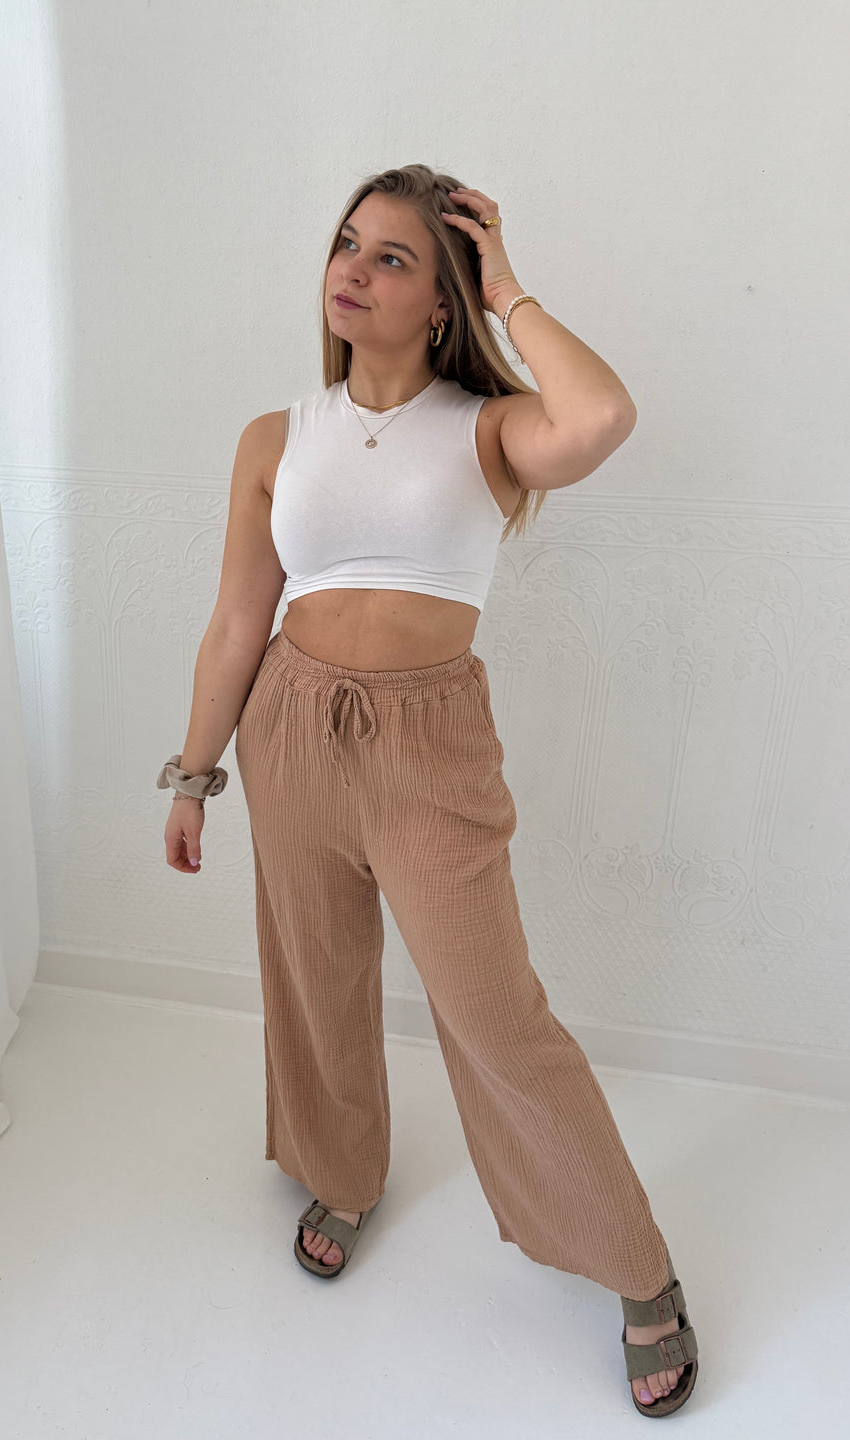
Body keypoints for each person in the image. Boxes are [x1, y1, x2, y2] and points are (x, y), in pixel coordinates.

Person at [159, 164, 699, 1419]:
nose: (352, 270)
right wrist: (194, 773)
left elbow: (604, 415)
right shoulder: (274, 436)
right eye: (347, 244)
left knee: (496, 1015)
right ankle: (342, 1172)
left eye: (392, 257)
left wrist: (508, 285)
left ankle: (639, 1271)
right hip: (292, 725)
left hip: (429, 746)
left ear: (443, 302)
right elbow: (237, 620)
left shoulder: (490, 430)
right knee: (315, 973)